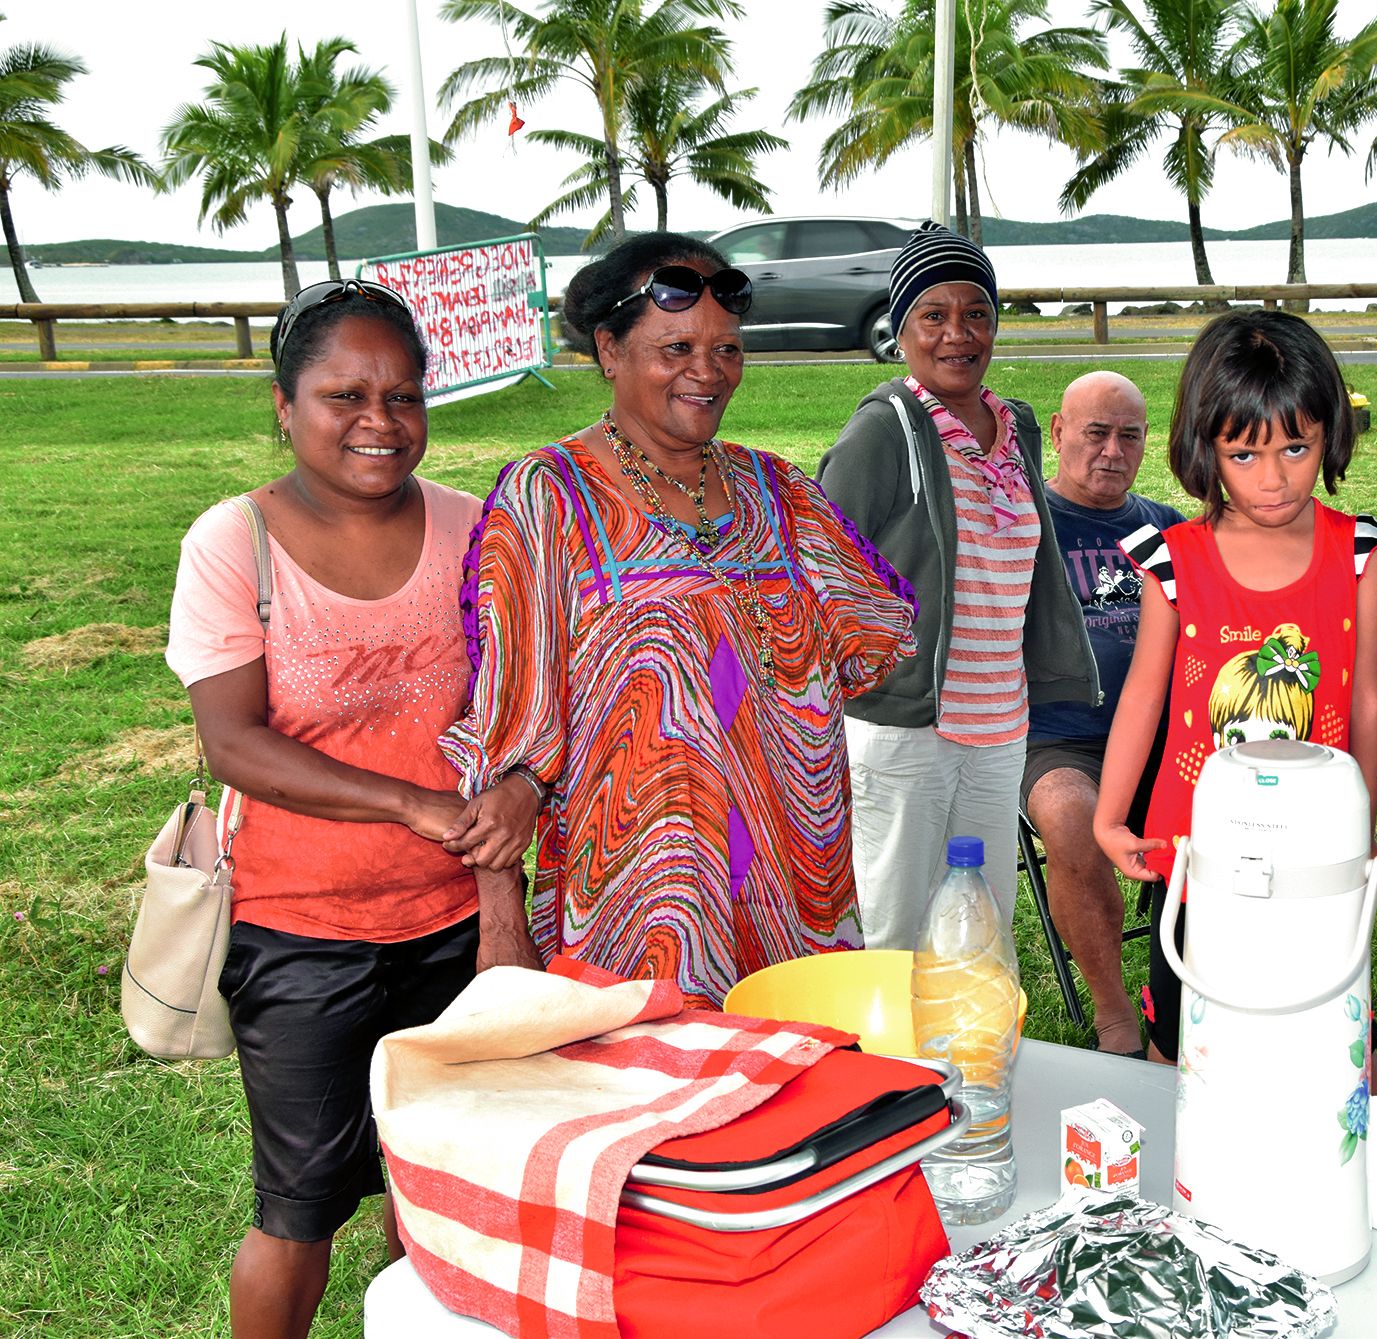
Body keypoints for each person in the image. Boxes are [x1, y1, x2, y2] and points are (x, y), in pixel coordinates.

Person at [166, 280, 527, 1338]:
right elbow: (233, 743)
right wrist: (408, 802)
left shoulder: (476, 528)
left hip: (455, 924)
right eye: (344, 395)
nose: (379, 422)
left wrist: (512, 808)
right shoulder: (235, 544)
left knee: (441, 1184)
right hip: (302, 935)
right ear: (284, 406)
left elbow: (518, 711)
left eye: (403, 396)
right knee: (300, 1211)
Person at [439, 232, 916, 1006]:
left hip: (795, 883)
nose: (707, 372)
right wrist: (501, 922)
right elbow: (505, 724)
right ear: (608, 350)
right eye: (676, 348)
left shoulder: (780, 493)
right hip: (642, 892)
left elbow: (871, 646)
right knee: (661, 1097)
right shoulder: (549, 497)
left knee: (796, 1093)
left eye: (726, 349)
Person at [1091, 309, 1377, 1068]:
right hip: (1197, 859)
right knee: (1185, 1043)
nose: (1273, 478)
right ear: (1205, 450)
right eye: (1244, 454)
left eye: (1295, 447)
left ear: (1330, 433)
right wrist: (1108, 819)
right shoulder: (1170, 560)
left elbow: (1366, 702)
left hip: (1315, 860)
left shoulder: (1361, 554)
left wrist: (1358, 840)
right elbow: (1143, 697)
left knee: (1332, 1043)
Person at [818, 222, 1097, 951]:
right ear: (900, 330)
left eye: (975, 312)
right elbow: (819, 568)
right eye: (932, 315)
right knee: (894, 926)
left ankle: (964, 1063)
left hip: (1000, 721)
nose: (956, 333)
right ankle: (885, 1066)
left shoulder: (1016, 425)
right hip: (905, 724)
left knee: (978, 921)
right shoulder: (885, 431)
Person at [1019, 371, 1184, 1056]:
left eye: (1129, 436)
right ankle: (1117, 1014)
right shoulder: (1021, 523)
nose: (1112, 450)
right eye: (1095, 432)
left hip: (1165, 738)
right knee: (1067, 814)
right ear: (1057, 432)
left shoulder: (1168, 527)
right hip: (1061, 739)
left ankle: (1199, 996)